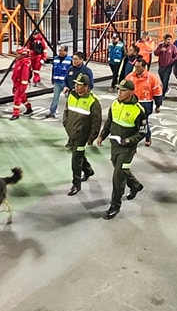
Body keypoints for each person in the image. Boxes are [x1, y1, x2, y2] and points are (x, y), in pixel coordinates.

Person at [96, 79, 148, 220]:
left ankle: (115, 206)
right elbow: (109, 122)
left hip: (127, 149)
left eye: (123, 90)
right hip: (115, 145)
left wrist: (129, 140)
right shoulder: (115, 104)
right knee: (121, 169)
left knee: (118, 176)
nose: (119, 92)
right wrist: (102, 135)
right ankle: (135, 185)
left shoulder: (139, 110)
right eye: (119, 89)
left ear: (131, 92)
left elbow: (142, 132)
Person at [62, 75, 102, 196]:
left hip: (82, 136)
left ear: (86, 87)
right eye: (76, 84)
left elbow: (96, 122)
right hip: (71, 133)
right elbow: (66, 111)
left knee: (76, 159)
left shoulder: (93, 101)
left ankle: (76, 184)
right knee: (78, 154)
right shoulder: (72, 95)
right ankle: (88, 170)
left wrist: (91, 138)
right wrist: (65, 123)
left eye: (79, 85)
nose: (76, 86)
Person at [126, 57, 163, 146]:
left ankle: (147, 136)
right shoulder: (130, 76)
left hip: (145, 104)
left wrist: (158, 105)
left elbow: (157, 92)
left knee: (143, 122)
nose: (136, 69)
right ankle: (132, 138)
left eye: (138, 67)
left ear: (144, 67)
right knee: (131, 121)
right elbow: (124, 89)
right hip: (132, 103)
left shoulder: (152, 78)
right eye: (135, 67)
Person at [46, 45, 73, 118]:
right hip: (57, 82)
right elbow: (53, 69)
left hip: (65, 84)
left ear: (66, 51)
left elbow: (71, 72)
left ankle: (69, 114)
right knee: (55, 98)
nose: (60, 52)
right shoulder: (55, 59)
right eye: (59, 51)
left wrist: (69, 83)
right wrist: (52, 78)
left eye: (62, 51)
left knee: (69, 99)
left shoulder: (70, 60)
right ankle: (52, 112)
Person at [153, 33, 177, 98]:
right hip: (161, 66)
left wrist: (171, 61)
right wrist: (160, 50)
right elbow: (155, 53)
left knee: (165, 80)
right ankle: (165, 88)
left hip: (168, 67)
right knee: (162, 79)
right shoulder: (160, 46)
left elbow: (176, 55)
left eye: (170, 39)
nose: (169, 41)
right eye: (168, 39)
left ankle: (163, 94)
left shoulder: (173, 47)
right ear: (164, 40)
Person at [10, 47, 34, 120]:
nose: (17, 55)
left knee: (17, 98)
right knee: (22, 97)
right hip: (17, 82)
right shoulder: (19, 61)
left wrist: (23, 85)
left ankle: (15, 113)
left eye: (18, 54)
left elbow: (25, 75)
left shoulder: (25, 62)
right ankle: (29, 108)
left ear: (23, 55)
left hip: (21, 83)